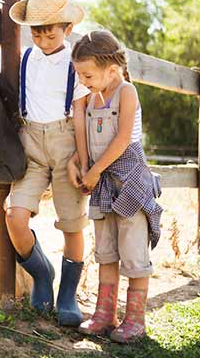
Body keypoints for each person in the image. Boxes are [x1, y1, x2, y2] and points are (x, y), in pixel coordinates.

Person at [68, 29, 162, 343]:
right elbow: (81, 134)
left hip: (129, 181)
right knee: (106, 251)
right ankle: (104, 314)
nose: (83, 80)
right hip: (100, 180)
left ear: (112, 70)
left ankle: (135, 319)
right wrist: (84, 166)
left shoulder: (125, 92)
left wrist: (94, 170)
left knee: (133, 253)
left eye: (88, 74)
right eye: (79, 74)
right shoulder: (87, 97)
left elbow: (122, 139)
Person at [6, 0, 90, 327]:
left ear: (68, 28)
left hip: (66, 145)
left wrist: (82, 158)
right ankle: (42, 273)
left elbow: (81, 115)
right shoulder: (27, 58)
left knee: (72, 224)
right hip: (31, 145)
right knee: (15, 216)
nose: (42, 40)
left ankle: (68, 293)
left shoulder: (75, 62)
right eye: (36, 33)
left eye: (50, 33)